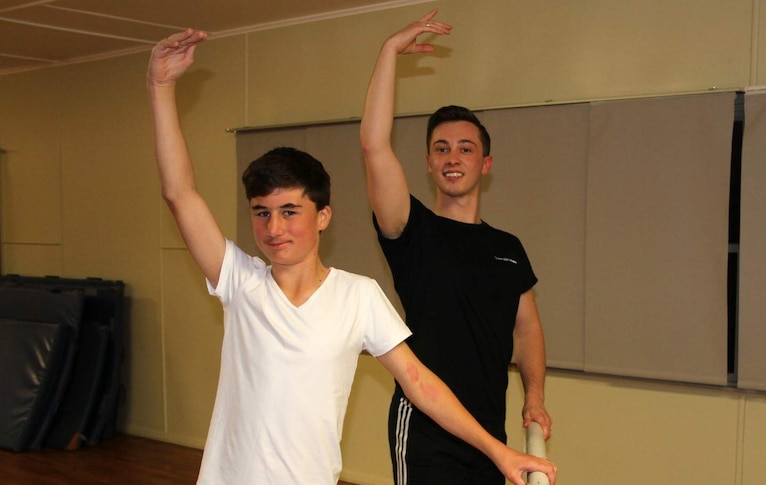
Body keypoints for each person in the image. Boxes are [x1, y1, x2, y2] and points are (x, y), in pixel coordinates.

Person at [147, 29, 556, 485]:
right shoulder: (241, 282)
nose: (273, 228)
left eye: (288, 212)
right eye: (261, 214)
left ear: (323, 217)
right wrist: (161, 88)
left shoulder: (358, 296)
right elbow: (179, 193)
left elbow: (421, 384)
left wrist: (499, 451)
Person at [360, 9, 554, 485]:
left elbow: (526, 331)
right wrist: (389, 52)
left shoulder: (508, 247)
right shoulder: (412, 230)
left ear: (485, 163)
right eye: (442, 148)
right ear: (428, 162)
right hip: (425, 431)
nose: (453, 157)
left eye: (465, 148)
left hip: (489, 431)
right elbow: (373, 145)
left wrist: (535, 396)